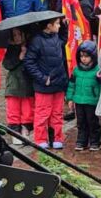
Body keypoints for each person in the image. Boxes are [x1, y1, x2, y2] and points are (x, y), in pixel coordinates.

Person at [24, 16, 68, 149]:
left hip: (58, 83)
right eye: (57, 24)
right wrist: (43, 78)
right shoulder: (37, 41)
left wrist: (65, 26)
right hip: (44, 85)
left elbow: (64, 40)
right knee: (42, 113)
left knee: (57, 113)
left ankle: (57, 138)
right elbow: (29, 62)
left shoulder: (57, 37)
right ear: (49, 26)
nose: (59, 26)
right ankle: (41, 139)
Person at [66, 40, 101, 151]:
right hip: (79, 100)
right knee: (81, 122)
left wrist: (100, 99)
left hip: (92, 100)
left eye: (86, 56)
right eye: (81, 56)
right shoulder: (76, 70)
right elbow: (71, 85)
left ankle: (96, 141)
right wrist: (70, 98)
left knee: (92, 121)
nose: (84, 59)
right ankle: (82, 140)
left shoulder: (98, 70)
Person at [3, 27, 35, 145]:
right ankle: (15, 131)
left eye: (19, 35)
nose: (17, 38)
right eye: (14, 35)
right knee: (13, 110)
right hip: (14, 85)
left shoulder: (30, 48)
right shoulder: (11, 49)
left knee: (28, 110)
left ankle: (25, 129)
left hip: (27, 85)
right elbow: (7, 65)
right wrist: (19, 57)